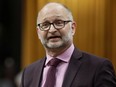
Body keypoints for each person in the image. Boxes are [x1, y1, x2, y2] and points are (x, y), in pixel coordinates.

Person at [21, 2, 116, 87]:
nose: (52, 30)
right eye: (45, 25)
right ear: (38, 32)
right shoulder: (28, 73)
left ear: (73, 28)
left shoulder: (98, 67)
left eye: (59, 22)